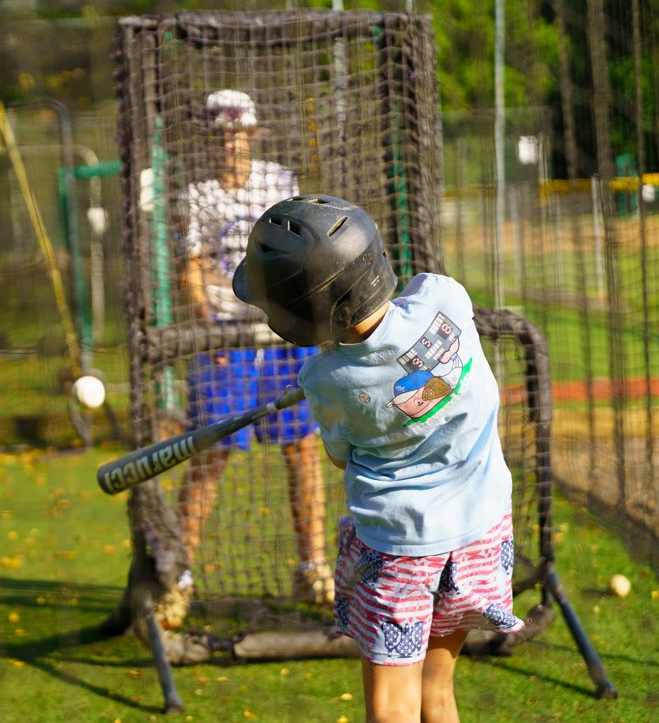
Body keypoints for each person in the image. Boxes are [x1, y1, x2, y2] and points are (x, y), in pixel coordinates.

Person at [232, 194, 525, 723]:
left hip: (399, 553)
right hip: (481, 537)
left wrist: (341, 368)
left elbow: (341, 457)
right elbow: (408, 319)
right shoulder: (446, 300)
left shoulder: (325, 381)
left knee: (392, 707)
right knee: (437, 694)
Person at [155, 90, 333, 629]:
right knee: (209, 456)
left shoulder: (278, 183)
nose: (229, 143)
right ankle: (178, 579)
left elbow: (300, 258)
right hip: (226, 341)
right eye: (219, 134)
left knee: (303, 449)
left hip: (280, 338)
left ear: (251, 135)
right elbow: (191, 269)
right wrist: (214, 333)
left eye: (237, 133)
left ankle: (313, 568)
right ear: (209, 139)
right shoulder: (198, 195)